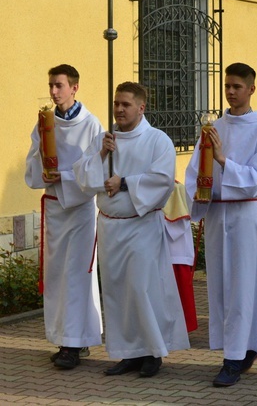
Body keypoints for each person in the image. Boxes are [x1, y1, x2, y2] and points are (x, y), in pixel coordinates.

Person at [74, 82, 189, 377]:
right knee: (117, 292)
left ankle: (153, 352)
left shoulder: (157, 140)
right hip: (111, 226)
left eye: (126, 104)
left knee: (141, 288)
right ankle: (128, 353)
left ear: (141, 107)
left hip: (141, 226)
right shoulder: (105, 139)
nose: (119, 109)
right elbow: (83, 177)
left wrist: (124, 182)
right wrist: (101, 154)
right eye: (116, 103)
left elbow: (163, 179)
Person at [184, 63, 257, 386]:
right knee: (222, 287)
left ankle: (234, 359)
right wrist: (199, 191)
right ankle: (241, 348)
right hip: (216, 215)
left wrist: (224, 159)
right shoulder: (213, 129)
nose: (230, 91)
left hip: (244, 215)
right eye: (227, 85)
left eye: (237, 86)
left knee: (243, 285)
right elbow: (195, 172)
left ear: (252, 89)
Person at [25, 64, 103, 370]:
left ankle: (75, 342)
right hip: (56, 207)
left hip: (80, 208)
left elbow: (96, 170)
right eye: (51, 86)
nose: (54, 92)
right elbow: (33, 159)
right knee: (57, 276)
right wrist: (44, 169)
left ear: (74, 88)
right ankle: (63, 339)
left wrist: (66, 176)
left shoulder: (92, 125)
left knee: (77, 275)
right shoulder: (45, 122)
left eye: (59, 85)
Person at [162, 182, 198, 334]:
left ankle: (180, 328)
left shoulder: (176, 188)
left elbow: (178, 223)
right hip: (175, 251)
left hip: (175, 251)